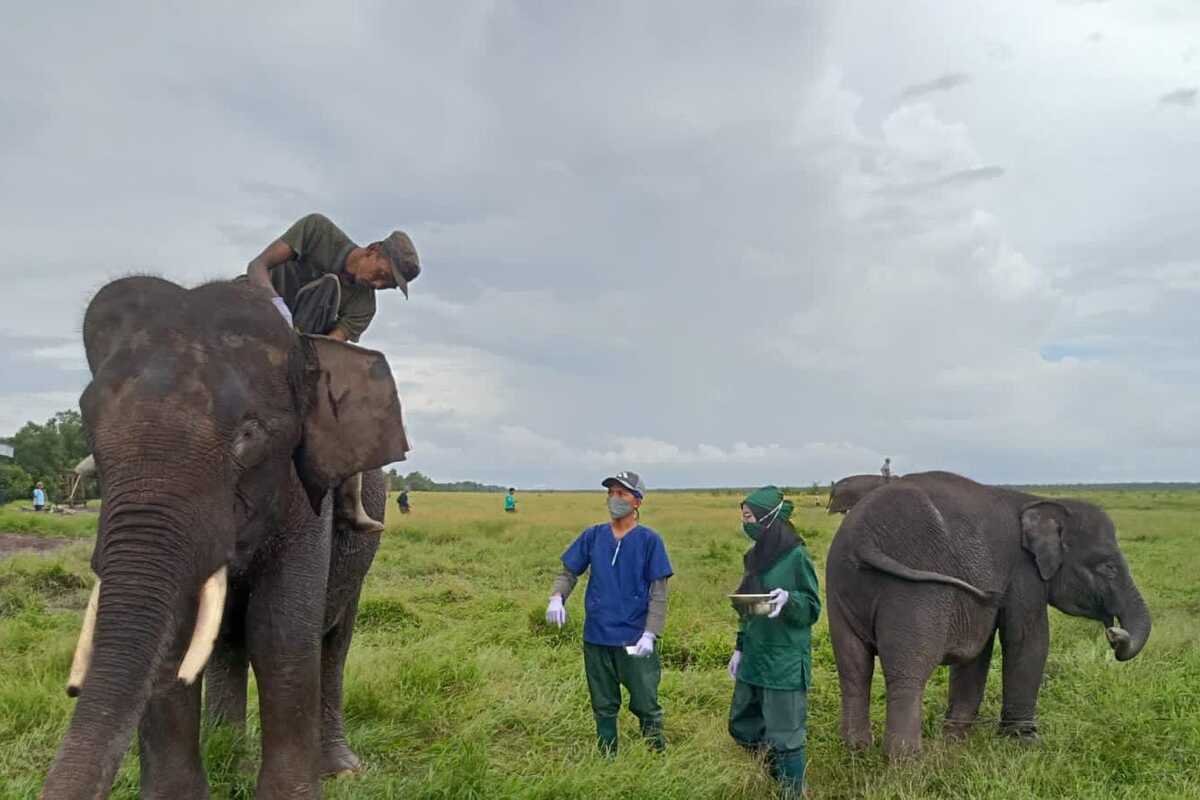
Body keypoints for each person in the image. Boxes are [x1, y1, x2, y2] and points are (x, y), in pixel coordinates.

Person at [245, 212, 421, 533]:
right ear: (372, 251)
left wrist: (295, 347)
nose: (379, 285)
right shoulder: (317, 231)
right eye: (382, 275)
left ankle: (350, 502)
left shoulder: (364, 305)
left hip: (299, 350)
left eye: (389, 286)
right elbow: (257, 266)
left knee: (351, 387)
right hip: (249, 315)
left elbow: (329, 348)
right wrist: (275, 306)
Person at [545, 471, 673, 754]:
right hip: (597, 635)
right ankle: (607, 755)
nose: (614, 499)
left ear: (637, 501)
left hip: (634, 638)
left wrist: (650, 633)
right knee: (603, 702)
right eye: (611, 493)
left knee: (645, 700)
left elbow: (659, 593)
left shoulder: (650, 541)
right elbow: (569, 572)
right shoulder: (593, 536)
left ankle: (656, 754)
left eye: (622, 494)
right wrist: (557, 597)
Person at [727, 486, 821, 799]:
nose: (746, 523)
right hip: (754, 656)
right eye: (744, 517)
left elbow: (812, 607)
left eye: (750, 516)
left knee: (786, 736)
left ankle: (792, 791)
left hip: (784, 660)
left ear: (768, 518)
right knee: (742, 726)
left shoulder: (796, 556)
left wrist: (790, 599)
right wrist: (740, 647)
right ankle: (777, 773)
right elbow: (749, 610)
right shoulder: (755, 556)